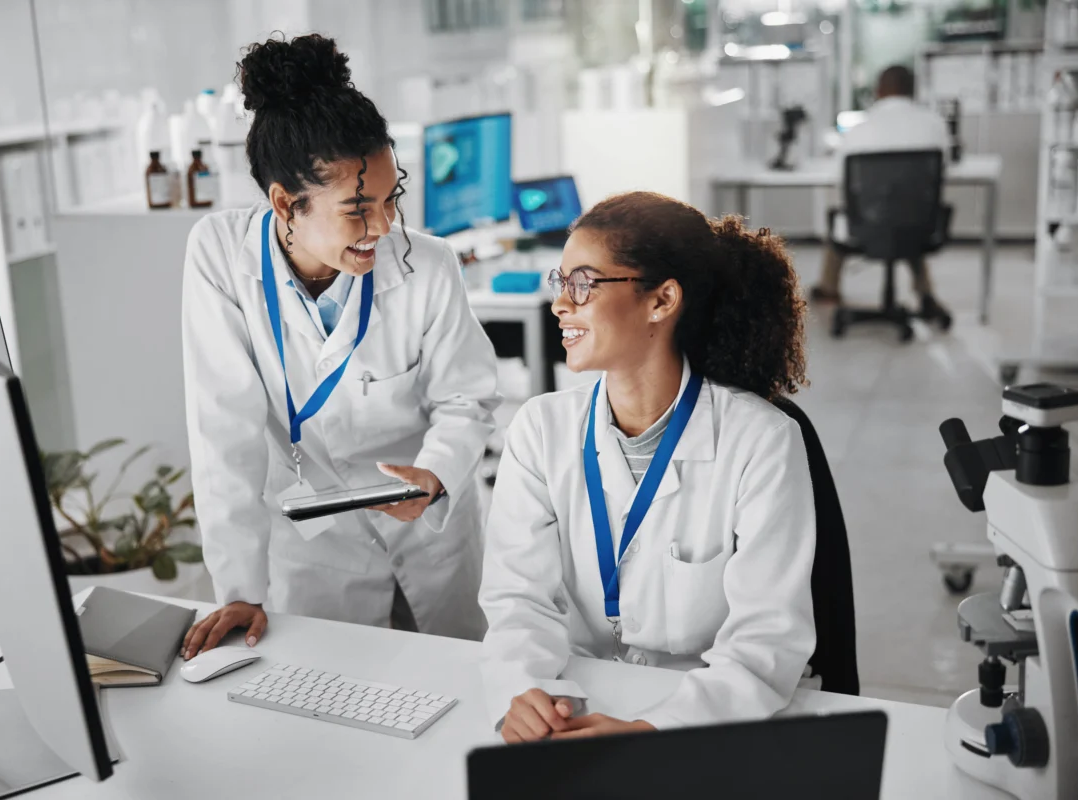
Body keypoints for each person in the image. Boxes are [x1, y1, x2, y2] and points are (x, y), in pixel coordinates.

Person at [179, 34, 500, 659]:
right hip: (314, 547)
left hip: (429, 535)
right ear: (284, 204)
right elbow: (224, 430)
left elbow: (466, 398)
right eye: (357, 210)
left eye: (390, 199)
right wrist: (239, 587)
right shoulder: (219, 256)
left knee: (460, 691)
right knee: (342, 699)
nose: (382, 227)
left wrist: (434, 473)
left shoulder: (427, 264)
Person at [479, 192, 817, 742]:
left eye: (583, 284)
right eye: (559, 283)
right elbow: (518, 600)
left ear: (661, 301)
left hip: (710, 720)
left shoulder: (762, 441)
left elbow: (765, 642)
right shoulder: (540, 430)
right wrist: (525, 691)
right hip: (580, 700)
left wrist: (653, 730)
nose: (561, 304)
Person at [812, 64, 952, 322]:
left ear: (879, 90)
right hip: (921, 226)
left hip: (867, 225)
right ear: (912, 90)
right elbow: (944, 168)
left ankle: (829, 289)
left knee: (845, 215)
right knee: (908, 215)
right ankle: (926, 295)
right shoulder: (935, 125)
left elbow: (841, 179)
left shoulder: (858, 130)